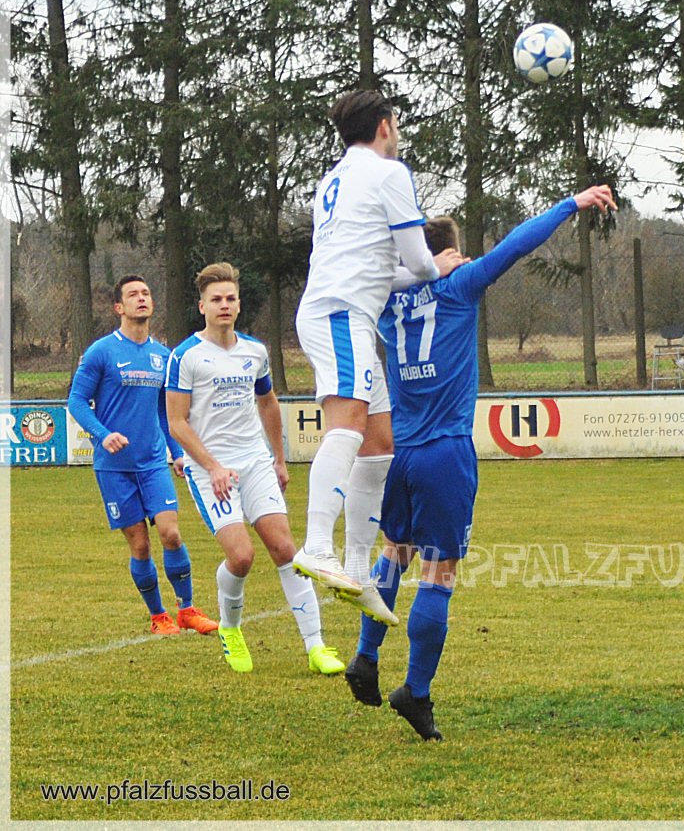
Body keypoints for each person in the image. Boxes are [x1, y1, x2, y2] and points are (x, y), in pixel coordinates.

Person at [341, 184, 617, 741]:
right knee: (439, 572)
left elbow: (355, 277)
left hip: (402, 451)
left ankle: (366, 657)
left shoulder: (386, 301)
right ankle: (415, 692)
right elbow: (515, 246)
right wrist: (572, 204)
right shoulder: (460, 286)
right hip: (445, 450)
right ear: (451, 252)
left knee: (395, 552)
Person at [292, 89, 464, 619]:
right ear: (385, 126)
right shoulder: (389, 173)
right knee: (346, 428)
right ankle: (317, 545)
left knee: (379, 444)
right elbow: (419, 261)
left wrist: (422, 271)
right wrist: (439, 267)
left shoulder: (334, 179)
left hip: (344, 315)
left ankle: (357, 569)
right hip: (340, 314)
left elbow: (381, 270)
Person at [166, 263, 346, 675]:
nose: (224, 305)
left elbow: (267, 403)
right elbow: (177, 422)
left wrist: (278, 459)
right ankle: (230, 628)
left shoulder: (255, 351)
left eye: (230, 298)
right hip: (209, 469)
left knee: (285, 550)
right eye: (216, 299)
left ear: (239, 304)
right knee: (242, 556)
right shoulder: (186, 356)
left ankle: (316, 647)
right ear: (202, 307)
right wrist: (212, 466)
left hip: (255, 461)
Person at [68, 275, 219, 637]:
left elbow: (168, 413)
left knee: (171, 534)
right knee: (140, 544)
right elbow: (76, 401)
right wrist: (103, 435)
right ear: (119, 307)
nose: (141, 298)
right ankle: (158, 617)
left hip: (153, 464)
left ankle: (187, 610)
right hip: (114, 468)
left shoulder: (163, 357)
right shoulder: (101, 351)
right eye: (133, 294)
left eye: (146, 293)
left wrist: (177, 453)